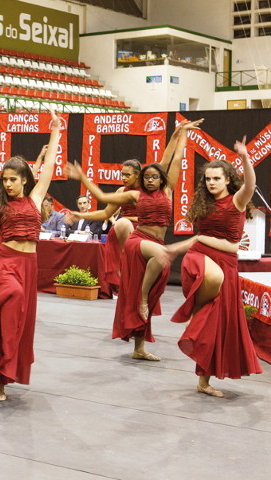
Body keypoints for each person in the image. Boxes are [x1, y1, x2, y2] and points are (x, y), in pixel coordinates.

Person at [68, 119, 202, 361]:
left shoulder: (168, 189)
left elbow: (176, 159)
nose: (150, 180)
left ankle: (139, 347)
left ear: (161, 179)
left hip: (156, 245)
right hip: (138, 242)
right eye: (147, 177)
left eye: (154, 177)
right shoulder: (133, 195)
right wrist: (83, 181)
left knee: (152, 294)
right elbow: (100, 196)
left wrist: (181, 135)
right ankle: (140, 298)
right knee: (160, 259)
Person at [0, 107, 61, 402]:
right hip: (4, 264)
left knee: (19, 323)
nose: (7, 184)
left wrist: (56, 130)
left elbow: (49, 167)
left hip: (29, 266)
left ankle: (3, 377)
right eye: (5, 179)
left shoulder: (36, 199)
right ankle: (1, 374)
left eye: (13, 179)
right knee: (11, 306)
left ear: (25, 179)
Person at [168, 138, 263, 398]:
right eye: (208, 179)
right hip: (200, 259)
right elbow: (199, 237)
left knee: (216, 326)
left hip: (226, 265)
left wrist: (244, 157)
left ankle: (203, 381)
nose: (211, 183)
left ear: (227, 180)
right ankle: (195, 311)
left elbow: (250, 184)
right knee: (210, 289)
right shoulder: (203, 204)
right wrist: (185, 246)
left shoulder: (237, 201)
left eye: (216, 179)